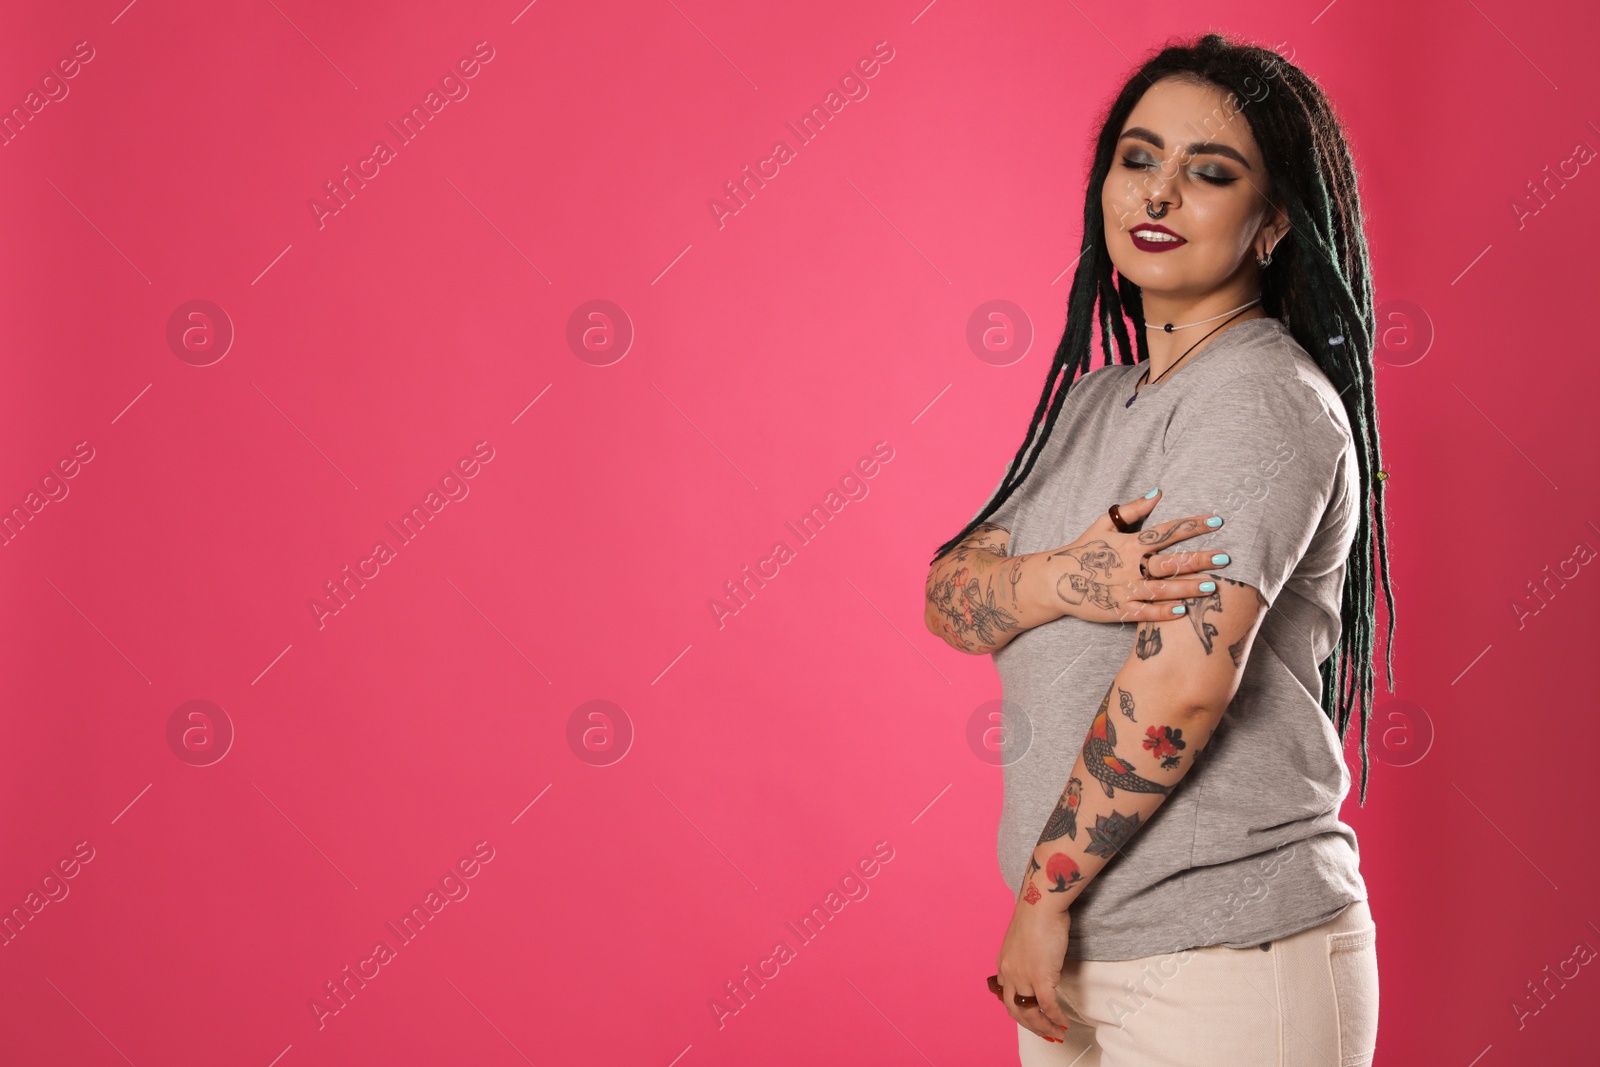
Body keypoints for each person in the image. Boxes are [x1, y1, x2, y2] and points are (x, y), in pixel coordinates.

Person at [922, 32, 1396, 1067]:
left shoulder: (1260, 400)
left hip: (1228, 956)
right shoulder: (1094, 403)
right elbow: (950, 594)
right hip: (1080, 958)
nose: (1159, 194)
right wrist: (1070, 577)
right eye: (1138, 160)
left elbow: (1180, 683)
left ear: (1273, 222)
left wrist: (1042, 900)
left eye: (1209, 172)